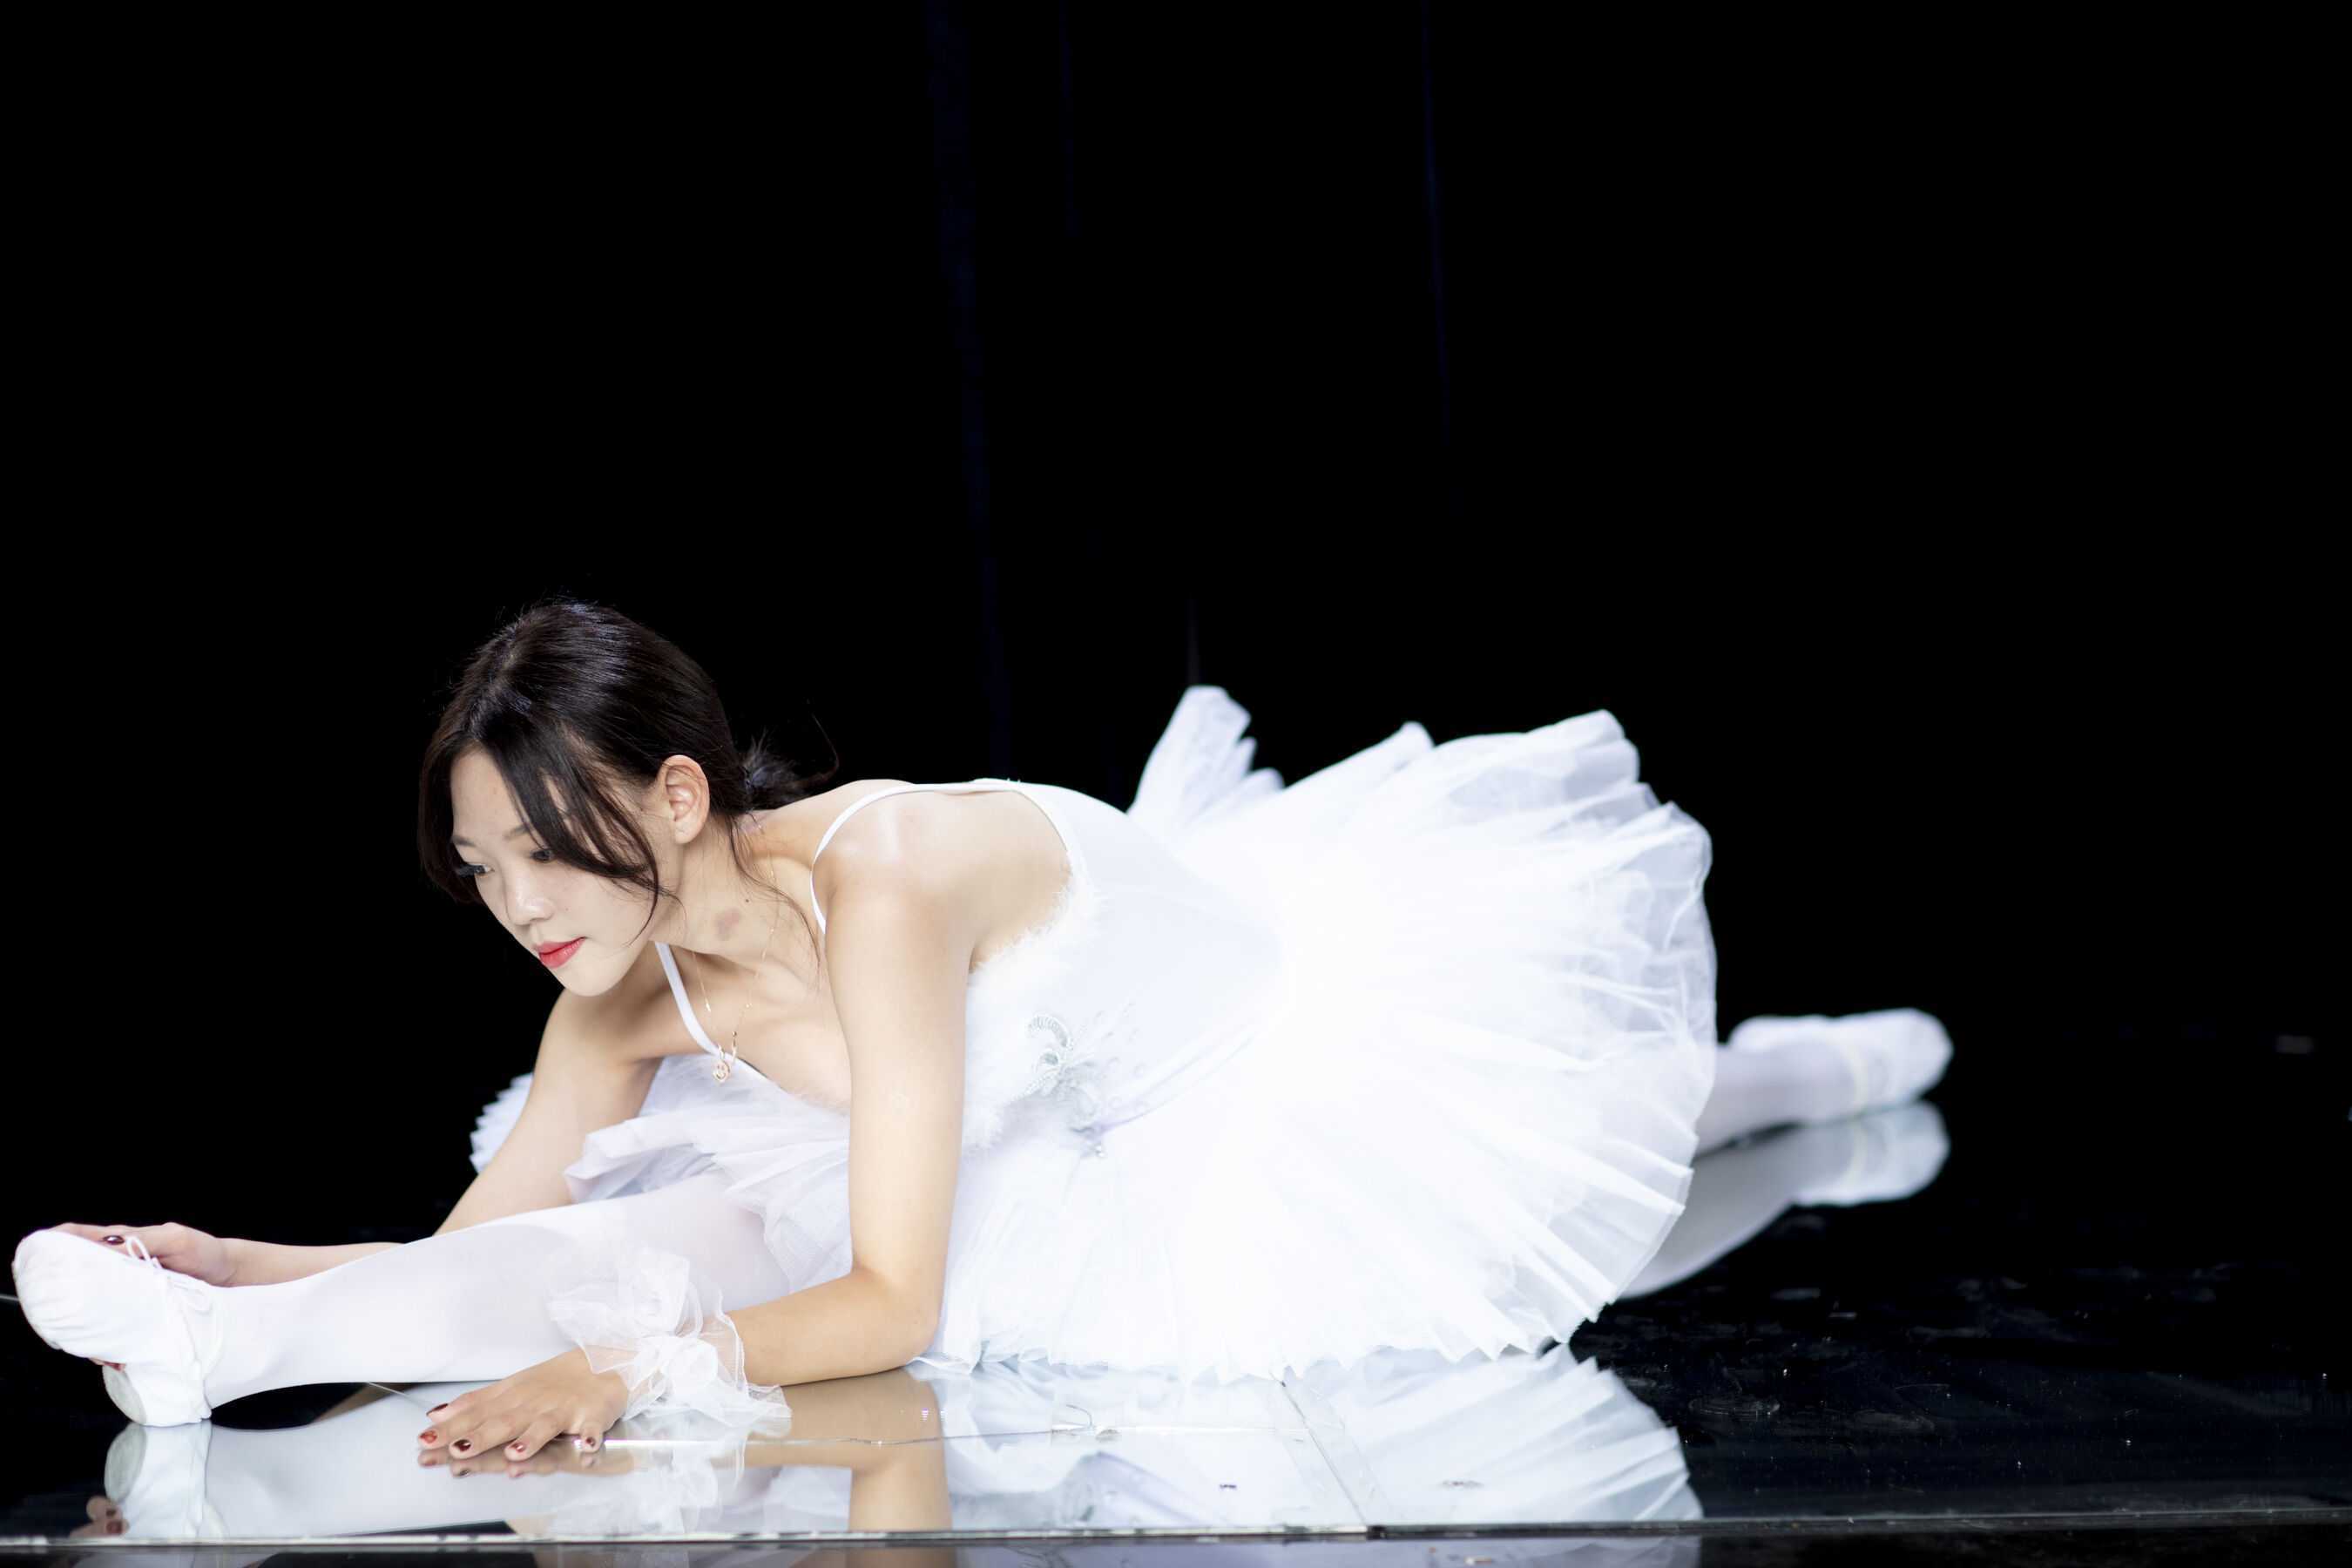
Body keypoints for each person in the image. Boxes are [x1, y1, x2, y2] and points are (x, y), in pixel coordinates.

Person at [13, 598, 1952, 1470]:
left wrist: (621, 1372)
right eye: (482, 866)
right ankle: (217, 1351)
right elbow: (473, 1255)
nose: (522, 904)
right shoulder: (619, 1000)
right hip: (1046, 1143)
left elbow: (895, 1301)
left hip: (1254, 1053)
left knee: (1640, 1132)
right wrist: (234, 1257)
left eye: (547, 848)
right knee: (607, 1239)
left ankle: (1816, 1068)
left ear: (678, 794)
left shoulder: (885, 886)